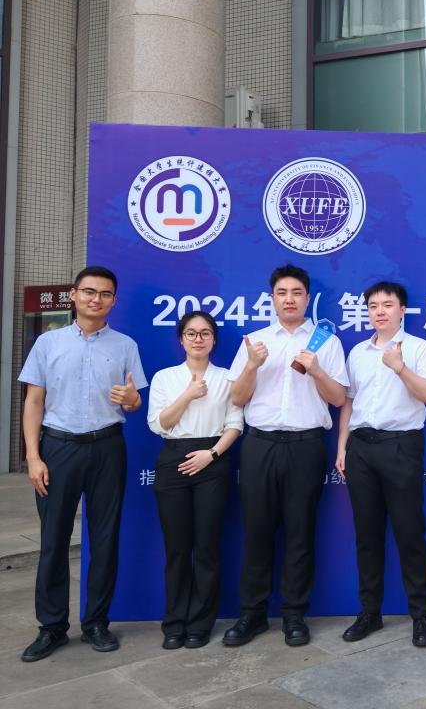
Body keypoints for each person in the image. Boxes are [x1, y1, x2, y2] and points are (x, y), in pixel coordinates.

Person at [18, 266, 147, 662]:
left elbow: (135, 402)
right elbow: (34, 402)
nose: (96, 299)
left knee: (105, 538)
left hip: (107, 447)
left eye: (105, 294)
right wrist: (34, 457)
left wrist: (131, 400)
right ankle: (52, 627)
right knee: (54, 539)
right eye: (89, 291)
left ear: (114, 300)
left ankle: (96, 622)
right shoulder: (48, 343)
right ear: (73, 295)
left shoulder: (125, 345)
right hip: (58, 447)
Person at [223, 264, 348, 647]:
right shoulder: (255, 341)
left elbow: (338, 399)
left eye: (296, 293)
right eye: (282, 293)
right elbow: (237, 398)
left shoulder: (326, 341)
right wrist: (251, 366)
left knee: (300, 532)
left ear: (307, 299)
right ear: (272, 299)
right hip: (259, 445)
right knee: (257, 531)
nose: (289, 299)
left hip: (306, 445)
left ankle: (294, 615)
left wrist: (317, 371)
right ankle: (252, 614)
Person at [336, 281, 426, 648]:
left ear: (402, 310)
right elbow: (349, 402)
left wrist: (399, 368)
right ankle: (370, 613)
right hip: (361, 447)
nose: (379, 311)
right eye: (373, 306)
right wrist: (343, 447)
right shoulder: (358, 352)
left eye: (387, 305)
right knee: (367, 535)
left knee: (409, 533)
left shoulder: (419, 348)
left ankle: (420, 617)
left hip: (401, 446)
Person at [147, 311, 243, 649]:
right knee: (177, 549)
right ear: (181, 339)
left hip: (212, 460)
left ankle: (201, 623)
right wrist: (188, 394)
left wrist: (211, 454)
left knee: (207, 547)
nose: (198, 339)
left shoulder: (228, 378)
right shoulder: (165, 378)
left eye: (205, 333)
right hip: (173, 458)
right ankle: (174, 623)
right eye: (191, 333)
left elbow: (235, 424)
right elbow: (159, 424)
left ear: (214, 340)